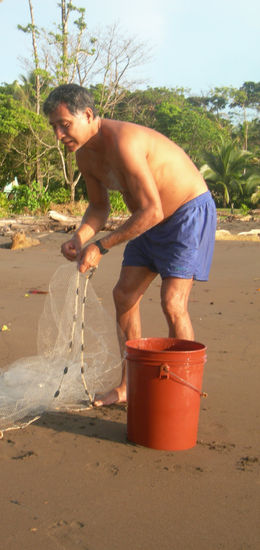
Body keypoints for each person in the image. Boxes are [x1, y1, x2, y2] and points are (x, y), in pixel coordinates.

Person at [43, 84, 216, 406]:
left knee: (172, 302)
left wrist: (101, 246)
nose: (58, 134)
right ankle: (128, 386)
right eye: (54, 126)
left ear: (89, 115)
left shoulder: (123, 142)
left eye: (64, 124)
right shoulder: (84, 156)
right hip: (147, 218)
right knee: (124, 295)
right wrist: (79, 239)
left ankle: (183, 393)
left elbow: (154, 210)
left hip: (186, 214)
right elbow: (99, 208)